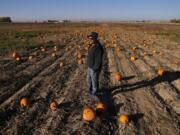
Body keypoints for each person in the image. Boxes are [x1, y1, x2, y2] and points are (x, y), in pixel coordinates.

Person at [86, 32, 104, 96]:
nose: (89, 39)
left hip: (94, 67)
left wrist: (95, 68)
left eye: (90, 38)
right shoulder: (92, 45)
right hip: (90, 66)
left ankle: (94, 91)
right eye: (89, 38)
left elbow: (98, 59)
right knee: (88, 79)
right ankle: (89, 89)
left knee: (94, 80)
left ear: (94, 38)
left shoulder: (97, 47)